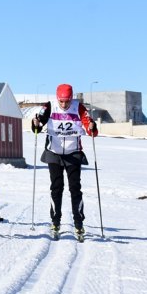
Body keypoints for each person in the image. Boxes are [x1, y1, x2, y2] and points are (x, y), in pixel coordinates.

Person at [31, 83, 98, 236]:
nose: (64, 104)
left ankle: (79, 223)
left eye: (67, 101)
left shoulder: (78, 107)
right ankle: (55, 222)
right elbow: (39, 122)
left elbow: (88, 124)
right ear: (57, 98)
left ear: (71, 98)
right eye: (61, 101)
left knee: (75, 188)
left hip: (73, 153)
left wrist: (92, 127)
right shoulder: (49, 106)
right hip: (54, 152)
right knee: (56, 187)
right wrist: (36, 123)